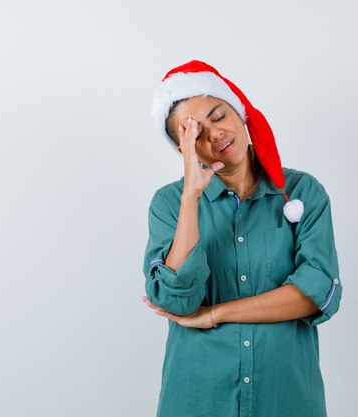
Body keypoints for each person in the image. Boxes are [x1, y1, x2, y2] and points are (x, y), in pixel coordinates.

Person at [141, 60, 342, 417]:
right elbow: (176, 302)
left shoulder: (301, 192)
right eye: (195, 133)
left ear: (241, 112)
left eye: (218, 116)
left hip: (287, 398)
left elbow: (316, 293)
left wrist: (216, 314)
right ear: (182, 150)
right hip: (198, 399)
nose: (214, 134)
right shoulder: (169, 203)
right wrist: (192, 198)